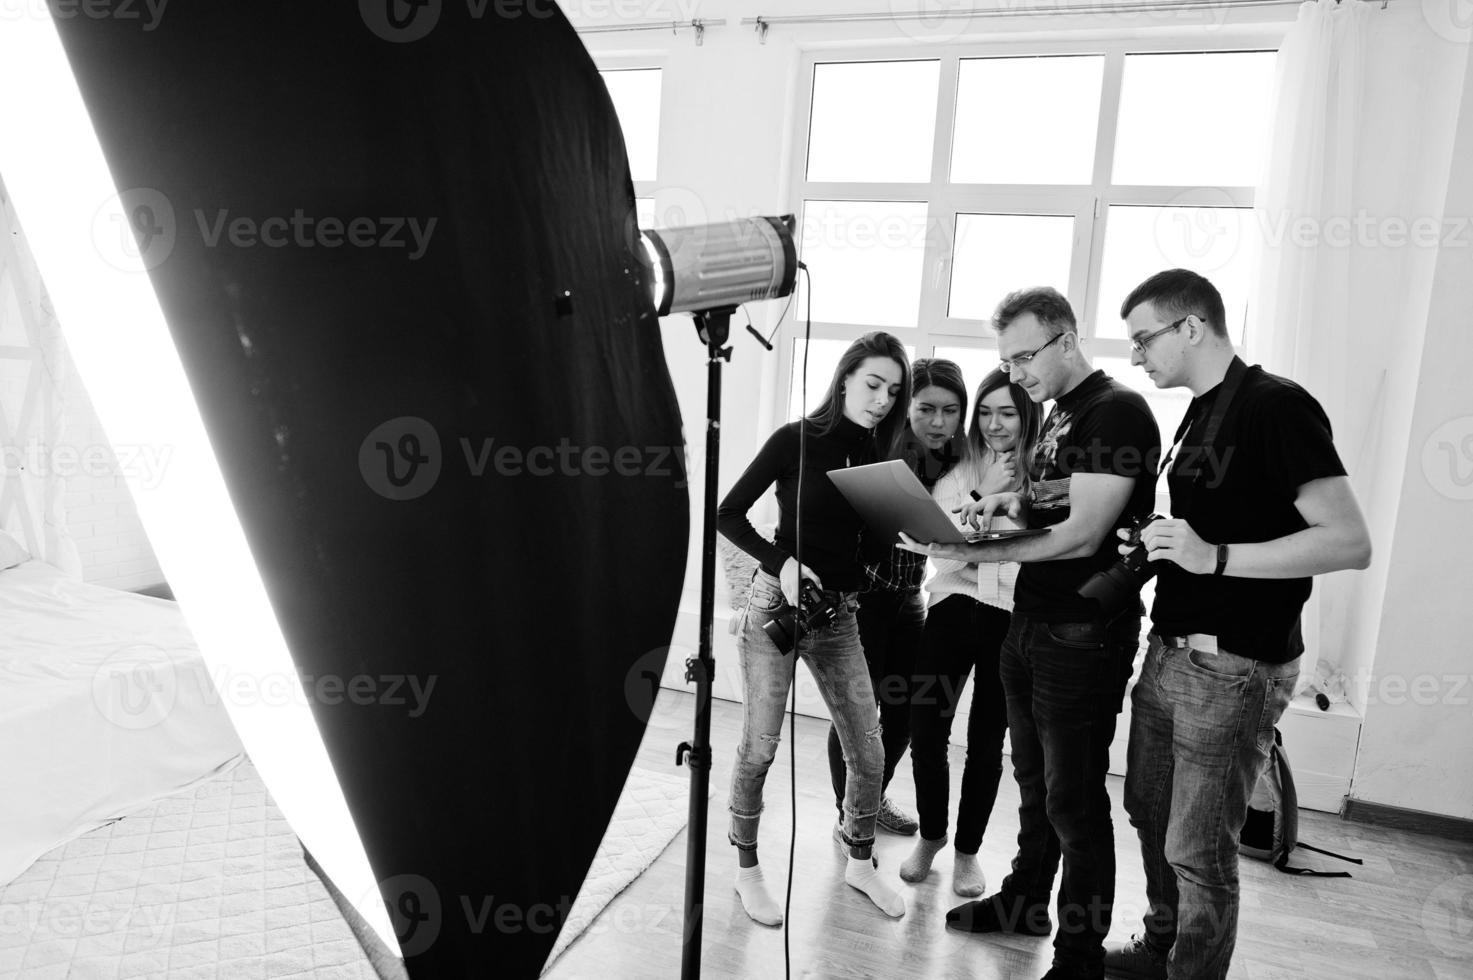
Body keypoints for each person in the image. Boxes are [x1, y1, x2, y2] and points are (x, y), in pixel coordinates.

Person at [1105, 270, 1372, 980]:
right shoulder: (1200, 409)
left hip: (1234, 667)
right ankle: (1159, 949)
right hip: (1170, 654)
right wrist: (1164, 540)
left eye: (1143, 339)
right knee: (1148, 815)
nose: (1135, 357)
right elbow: (1223, 521)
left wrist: (1212, 555)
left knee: (1198, 849)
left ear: (1190, 327)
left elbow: (1348, 541)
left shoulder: (1275, 406)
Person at [902, 287, 1160, 980]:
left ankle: (1078, 962)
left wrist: (971, 551)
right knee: (1036, 783)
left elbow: (1082, 534)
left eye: (1023, 356)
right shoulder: (1062, 413)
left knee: (1074, 805)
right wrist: (1005, 501)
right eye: (1005, 359)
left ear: (1066, 339)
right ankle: (1022, 902)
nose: (1014, 374)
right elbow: (1059, 496)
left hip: (1081, 634)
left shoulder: (1116, 412)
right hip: (1031, 623)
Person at [716, 331, 912, 925]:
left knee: (869, 750)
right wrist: (783, 562)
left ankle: (859, 860)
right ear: (846, 377)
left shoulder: (882, 458)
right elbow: (727, 514)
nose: (881, 400)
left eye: (892, 391)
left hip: (839, 614)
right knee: (761, 745)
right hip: (777, 603)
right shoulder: (794, 439)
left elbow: (872, 545)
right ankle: (746, 869)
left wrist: (914, 533)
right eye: (873, 384)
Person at [901, 367, 1041, 899]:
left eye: (1006, 413)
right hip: (954, 603)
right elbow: (937, 541)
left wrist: (998, 513)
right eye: (984, 412)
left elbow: (1043, 542)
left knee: (987, 742)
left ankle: (966, 850)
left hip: (1012, 615)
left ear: (1027, 413)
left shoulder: (1045, 470)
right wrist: (987, 493)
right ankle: (930, 837)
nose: (994, 424)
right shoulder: (959, 467)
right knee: (927, 728)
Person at [825, 358, 971, 840]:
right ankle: (851, 816)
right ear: (905, 408)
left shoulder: (957, 459)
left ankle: (869, 799)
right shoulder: (879, 452)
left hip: (910, 599)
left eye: (950, 410)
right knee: (857, 715)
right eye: (926, 409)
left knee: (905, 710)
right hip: (864, 601)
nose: (938, 422)